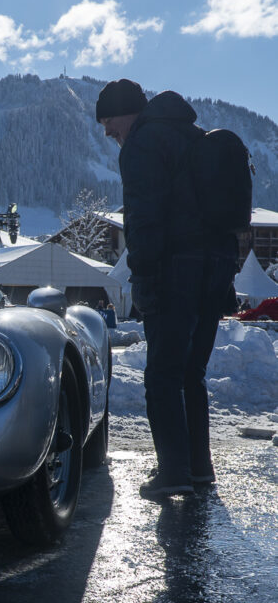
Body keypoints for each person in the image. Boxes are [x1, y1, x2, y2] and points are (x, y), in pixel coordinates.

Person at [96, 79, 239, 500]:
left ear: (128, 113)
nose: (107, 132)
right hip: (216, 270)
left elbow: (145, 217)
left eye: (108, 121)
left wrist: (143, 274)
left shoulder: (142, 144)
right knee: (191, 374)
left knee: (162, 375)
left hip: (175, 272)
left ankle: (173, 471)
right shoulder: (194, 136)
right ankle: (198, 468)